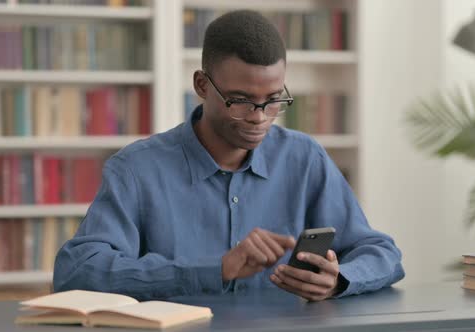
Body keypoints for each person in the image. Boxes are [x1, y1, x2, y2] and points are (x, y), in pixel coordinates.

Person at [54, 10, 404, 302]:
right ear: (202, 86)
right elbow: (77, 270)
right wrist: (215, 270)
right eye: (241, 100)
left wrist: (339, 278)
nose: (259, 116)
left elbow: (381, 252)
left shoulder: (304, 158)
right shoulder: (136, 169)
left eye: (273, 100)